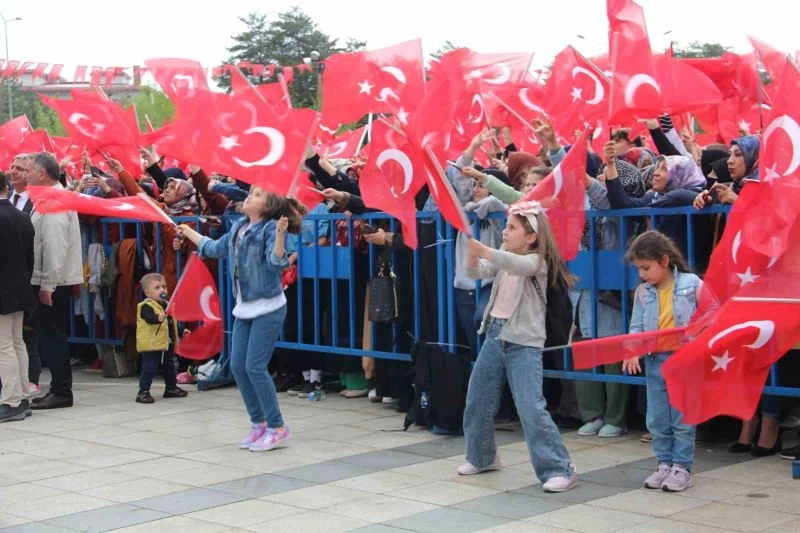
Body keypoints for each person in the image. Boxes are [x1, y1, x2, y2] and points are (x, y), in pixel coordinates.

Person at [459, 201, 578, 493]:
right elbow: (475, 273)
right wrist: (472, 256)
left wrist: (484, 250)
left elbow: (513, 264)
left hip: (524, 341)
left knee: (530, 406)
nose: (505, 232)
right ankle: (482, 456)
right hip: (495, 335)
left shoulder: (537, 262)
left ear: (531, 237)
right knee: (478, 399)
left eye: (512, 228)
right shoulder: (507, 257)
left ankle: (559, 467)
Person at [177, 187, 303, 452]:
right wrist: (187, 231)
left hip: (269, 307)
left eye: (257, 195)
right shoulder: (238, 227)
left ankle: (277, 426)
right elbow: (212, 248)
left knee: (255, 367)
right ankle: (258, 422)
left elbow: (276, 264)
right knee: (237, 366)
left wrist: (280, 235)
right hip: (244, 307)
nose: (250, 196)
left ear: (268, 207)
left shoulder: (270, 228)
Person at [622, 231, 702, 492]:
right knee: (656, 418)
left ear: (664, 261)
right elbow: (636, 326)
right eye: (639, 269)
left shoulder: (692, 283)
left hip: (684, 361)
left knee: (681, 416)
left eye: (646, 268)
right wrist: (632, 350)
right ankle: (664, 463)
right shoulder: (643, 292)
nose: (642, 274)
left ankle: (682, 466)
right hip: (655, 362)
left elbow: (712, 313)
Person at [27, 152, 83, 410]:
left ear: (41, 174)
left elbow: (54, 246)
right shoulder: (50, 198)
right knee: (50, 335)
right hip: (53, 279)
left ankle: (61, 391)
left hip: (53, 281)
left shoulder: (55, 200)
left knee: (53, 337)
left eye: (29, 171)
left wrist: (47, 284)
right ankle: (59, 389)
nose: (26, 176)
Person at [0, 172, 36, 422]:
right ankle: (22, 395)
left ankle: (11, 400)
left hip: (3, 289)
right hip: (19, 287)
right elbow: (29, 259)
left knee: (4, 346)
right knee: (16, 342)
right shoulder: (23, 217)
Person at [135, 273, 189, 404]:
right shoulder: (145, 306)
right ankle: (143, 391)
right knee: (149, 368)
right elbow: (148, 318)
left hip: (165, 343)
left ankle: (171, 388)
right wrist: (157, 318)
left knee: (170, 367)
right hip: (151, 344)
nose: (162, 290)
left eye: (164, 287)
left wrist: (181, 331)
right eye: (157, 288)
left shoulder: (166, 305)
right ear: (148, 293)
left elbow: (171, 323)